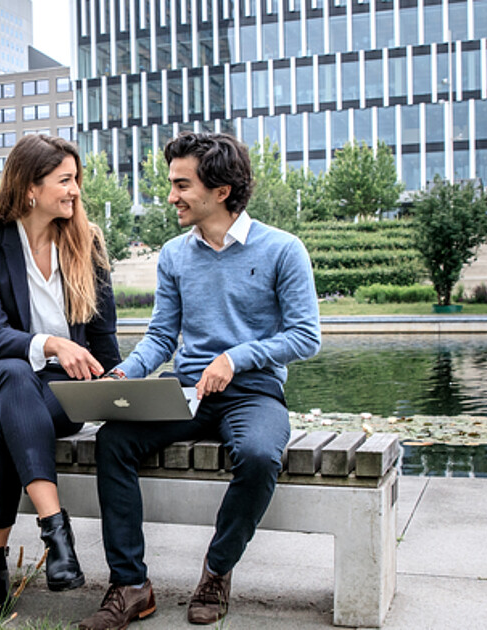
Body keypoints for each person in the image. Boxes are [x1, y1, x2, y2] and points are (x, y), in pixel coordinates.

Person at [78, 132, 321, 629]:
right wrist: (126, 372)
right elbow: (162, 335)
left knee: (257, 455)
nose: (171, 197)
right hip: (186, 393)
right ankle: (130, 585)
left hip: (253, 393)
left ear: (221, 191)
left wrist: (238, 357)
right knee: (114, 440)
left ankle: (216, 570)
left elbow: (306, 336)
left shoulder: (283, 250)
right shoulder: (174, 255)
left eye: (181, 185)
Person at [0, 133, 121, 620]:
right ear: (30, 189)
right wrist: (52, 343)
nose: (75, 191)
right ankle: (54, 529)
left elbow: (103, 340)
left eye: (76, 180)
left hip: (59, 395)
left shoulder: (89, 244)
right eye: (65, 180)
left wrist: (118, 383)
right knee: (13, 374)